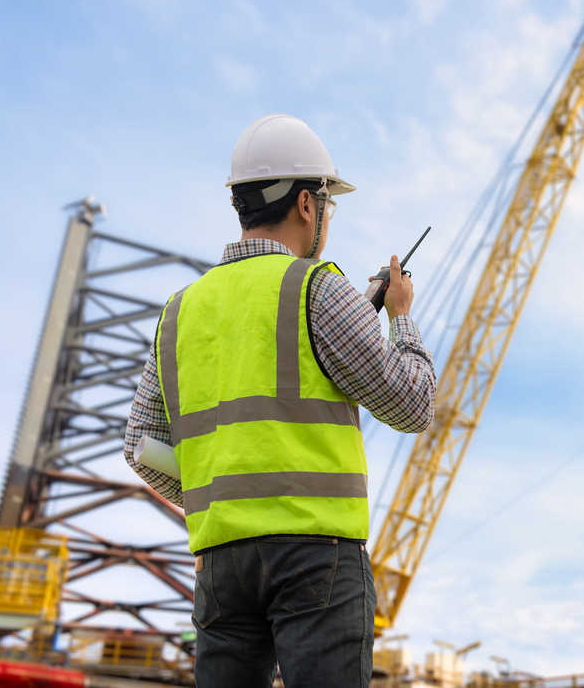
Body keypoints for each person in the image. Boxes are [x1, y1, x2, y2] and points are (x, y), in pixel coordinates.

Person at [124, 113, 436, 687]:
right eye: (328, 205)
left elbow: (140, 446)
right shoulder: (316, 285)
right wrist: (400, 320)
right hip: (316, 559)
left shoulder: (179, 310)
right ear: (306, 205)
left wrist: (212, 504)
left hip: (221, 565)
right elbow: (412, 405)